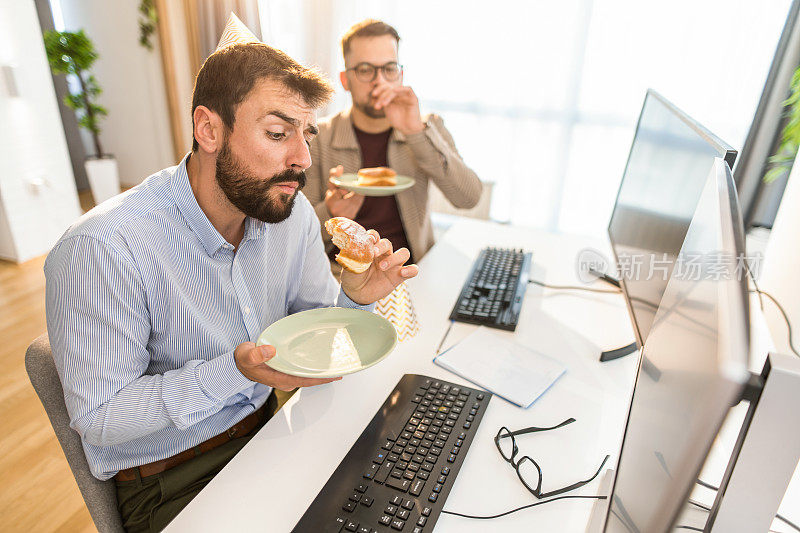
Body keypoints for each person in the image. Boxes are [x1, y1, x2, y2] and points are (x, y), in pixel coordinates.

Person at [44, 19, 417, 533]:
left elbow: (315, 333)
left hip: (273, 430)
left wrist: (353, 300)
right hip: (173, 480)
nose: (303, 158)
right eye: (277, 133)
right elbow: (101, 417)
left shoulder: (291, 216)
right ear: (209, 129)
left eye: (305, 134)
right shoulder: (104, 248)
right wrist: (234, 372)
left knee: (399, 496)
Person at [305, 19, 482, 269]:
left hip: (412, 271)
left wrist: (415, 132)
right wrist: (331, 212)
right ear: (345, 80)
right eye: (366, 69)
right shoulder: (317, 137)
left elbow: (469, 198)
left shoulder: (427, 127)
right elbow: (293, 238)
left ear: (401, 75)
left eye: (389, 69)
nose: (380, 82)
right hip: (340, 277)